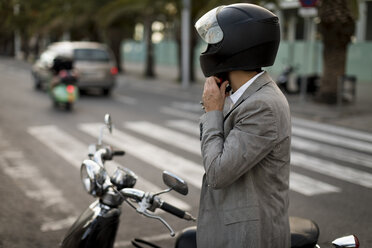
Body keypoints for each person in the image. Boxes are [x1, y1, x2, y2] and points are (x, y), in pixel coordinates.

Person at [195, 3, 291, 248]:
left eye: (215, 41)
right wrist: (217, 106)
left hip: (248, 237)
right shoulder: (238, 94)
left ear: (238, 44)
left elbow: (217, 173)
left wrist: (213, 112)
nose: (209, 49)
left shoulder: (262, 106)